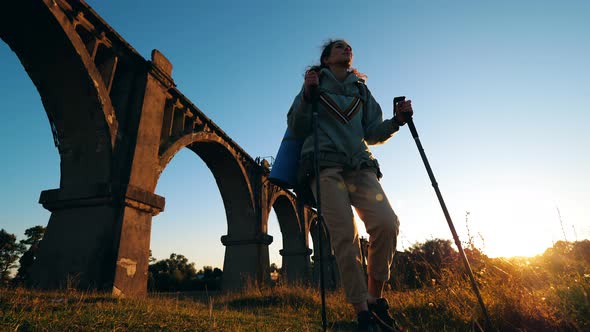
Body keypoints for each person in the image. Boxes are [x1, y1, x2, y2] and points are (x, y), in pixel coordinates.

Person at [287, 39, 413, 331]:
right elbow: (297, 125)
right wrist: (307, 94)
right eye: (339, 47)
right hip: (324, 167)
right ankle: (362, 312)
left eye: (349, 47)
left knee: (386, 223)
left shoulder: (360, 90)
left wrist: (396, 121)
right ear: (327, 58)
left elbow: (372, 133)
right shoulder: (315, 84)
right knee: (345, 234)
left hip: (360, 166)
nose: (347, 49)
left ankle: (375, 299)